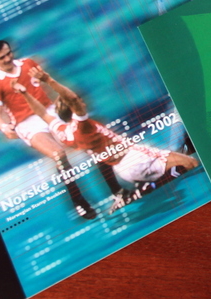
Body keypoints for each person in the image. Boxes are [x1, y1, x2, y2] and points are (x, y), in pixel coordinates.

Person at [12, 65, 199, 213]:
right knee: (191, 164)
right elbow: (73, 99)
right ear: (72, 109)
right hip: (135, 159)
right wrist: (48, 80)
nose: (82, 102)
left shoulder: (63, 132)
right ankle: (147, 188)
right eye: (78, 102)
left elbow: (42, 113)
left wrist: (24, 93)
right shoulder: (82, 126)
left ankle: (148, 185)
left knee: (181, 163)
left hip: (125, 168)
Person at [0, 40, 99, 219]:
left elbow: (48, 83)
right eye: (2, 58)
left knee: (88, 140)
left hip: (49, 111)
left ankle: (117, 188)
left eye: (9, 53)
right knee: (58, 154)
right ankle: (78, 201)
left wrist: (65, 103)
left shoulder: (28, 63)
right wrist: (4, 127)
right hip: (26, 123)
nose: (8, 58)